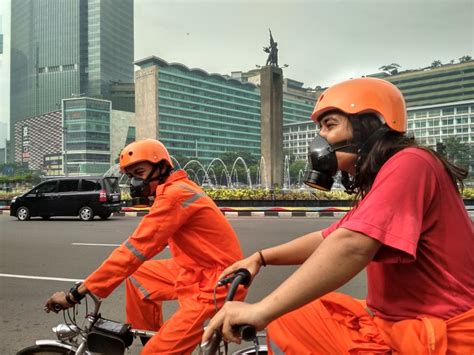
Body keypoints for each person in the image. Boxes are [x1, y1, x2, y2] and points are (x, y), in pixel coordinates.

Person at [202, 78, 474, 354]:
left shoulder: (412, 163)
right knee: (291, 317)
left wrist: (261, 310)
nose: (320, 138)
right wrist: (259, 258)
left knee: (283, 317)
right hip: (395, 324)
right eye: (319, 128)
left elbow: (351, 245)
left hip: (441, 335)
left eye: (330, 125)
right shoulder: (384, 181)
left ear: (368, 126)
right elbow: (327, 238)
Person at [45, 139, 246, 354]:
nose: (135, 182)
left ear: (161, 167)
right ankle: (154, 339)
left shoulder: (174, 195)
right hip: (198, 269)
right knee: (137, 277)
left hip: (217, 283)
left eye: (140, 172)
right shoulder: (176, 189)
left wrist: (75, 294)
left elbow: (134, 251)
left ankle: (161, 347)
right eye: (131, 176)